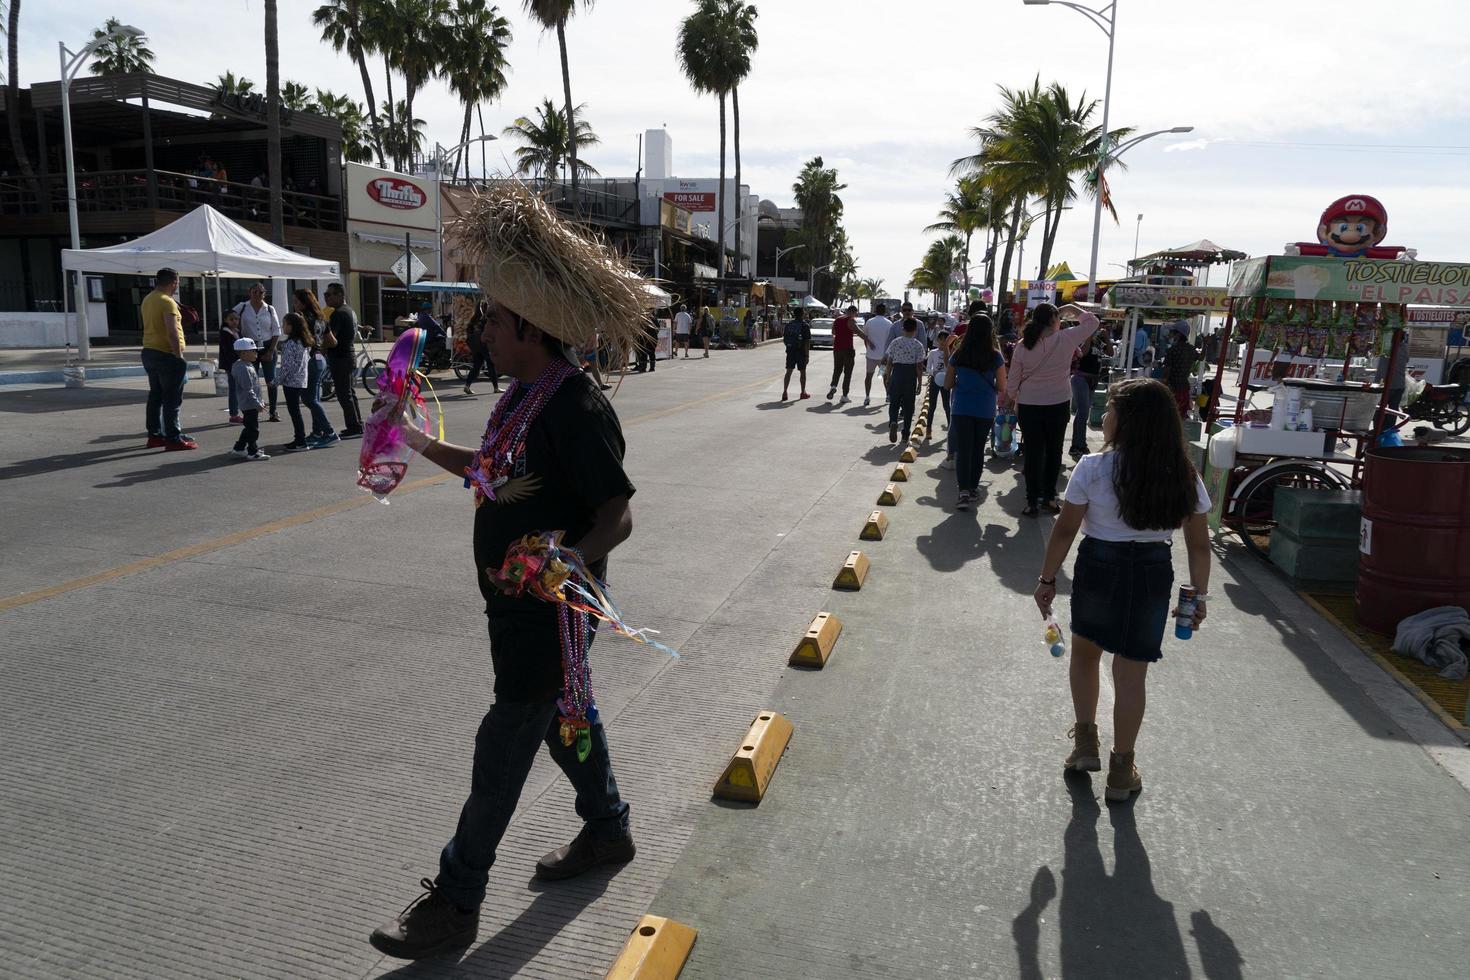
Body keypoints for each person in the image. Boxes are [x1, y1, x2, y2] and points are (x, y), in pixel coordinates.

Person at [369, 182, 641, 961]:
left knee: (504, 748)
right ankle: (608, 827)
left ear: (527, 324)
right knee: (568, 725)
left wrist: (560, 561)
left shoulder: (574, 408)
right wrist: (415, 438)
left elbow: (617, 514)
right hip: (512, 610)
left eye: (489, 317)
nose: (480, 328)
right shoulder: (522, 396)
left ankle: (456, 899)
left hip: (551, 610)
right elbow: (487, 472)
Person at [1033, 378, 1212, 803]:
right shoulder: (1182, 472)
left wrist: (1046, 578)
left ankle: (1084, 744)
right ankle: (1120, 768)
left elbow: (1065, 530)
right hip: (1153, 571)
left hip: (1099, 564)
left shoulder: (1093, 468)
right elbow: (1199, 544)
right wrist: (1198, 597)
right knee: (1132, 674)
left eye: (1111, 409)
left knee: (1085, 655)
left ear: (1126, 420)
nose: (1105, 416)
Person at [1006, 303, 1101, 517]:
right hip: (1058, 403)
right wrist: (1071, 308)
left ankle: (1031, 501)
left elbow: (1013, 378)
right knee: (1054, 451)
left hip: (1029, 404)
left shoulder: (1023, 345)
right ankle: (1049, 497)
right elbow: (1093, 322)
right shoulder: (1067, 338)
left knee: (1033, 453)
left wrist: (1009, 400)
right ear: (1054, 320)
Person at [945, 313, 1007, 509]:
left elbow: (947, 384)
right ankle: (973, 489)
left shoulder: (959, 354)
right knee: (977, 450)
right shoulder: (995, 356)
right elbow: (1002, 387)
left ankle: (962, 492)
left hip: (962, 407)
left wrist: (963, 383)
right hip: (984, 409)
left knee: (963, 450)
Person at [139, 267, 196, 450]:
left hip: (149, 351)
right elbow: (172, 332)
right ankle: (173, 437)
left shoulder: (148, 299)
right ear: (174, 282)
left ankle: (154, 435)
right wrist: (178, 356)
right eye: (177, 282)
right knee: (172, 399)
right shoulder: (167, 302)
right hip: (166, 354)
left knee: (155, 396)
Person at [293, 288, 339, 448]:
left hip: (310, 359)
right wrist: (320, 344)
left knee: (308, 398)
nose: (294, 305)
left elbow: (300, 342)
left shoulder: (302, 319)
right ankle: (317, 431)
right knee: (314, 397)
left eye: (296, 301)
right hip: (320, 359)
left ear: (304, 303)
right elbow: (333, 342)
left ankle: (329, 432)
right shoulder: (321, 318)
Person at [235, 283, 282, 422]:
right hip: (250, 347)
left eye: (260, 292)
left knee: (271, 381)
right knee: (250, 381)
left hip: (268, 346)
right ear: (249, 293)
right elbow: (229, 318)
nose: (257, 295)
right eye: (255, 292)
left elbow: (276, 330)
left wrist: (271, 350)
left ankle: (273, 411)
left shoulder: (269, 309)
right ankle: (251, 411)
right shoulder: (242, 307)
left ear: (264, 294)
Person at [322, 283, 364, 437]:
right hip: (347, 356)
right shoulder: (349, 310)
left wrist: (321, 346)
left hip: (340, 357)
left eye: (329, 294)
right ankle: (357, 424)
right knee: (349, 393)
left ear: (340, 295)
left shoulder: (338, 313)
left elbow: (332, 339)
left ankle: (354, 427)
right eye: (325, 294)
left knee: (344, 394)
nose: (326, 297)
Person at [882, 318, 926, 444]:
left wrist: (888, 377)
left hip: (897, 373)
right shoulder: (918, 345)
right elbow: (919, 366)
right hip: (910, 375)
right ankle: (905, 434)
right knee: (908, 406)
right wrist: (919, 382)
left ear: (903, 328)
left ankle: (893, 422)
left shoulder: (895, 342)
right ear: (915, 330)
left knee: (894, 402)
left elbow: (889, 362)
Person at [277, 312, 315, 452]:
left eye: (284, 323)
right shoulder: (304, 341)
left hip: (291, 382)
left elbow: (286, 367)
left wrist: (276, 381)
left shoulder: (289, 344)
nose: (282, 326)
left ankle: (300, 440)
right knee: (296, 411)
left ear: (291, 326)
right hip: (301, 380)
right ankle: (299, 439)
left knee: (294, 412)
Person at [1070, 327, 1110, 458]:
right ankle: (1079, 445)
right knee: (1083, 413)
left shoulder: (1099, 341)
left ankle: (1077, 444)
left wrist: (1107, 337)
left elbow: (1111, 353)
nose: (1097, 330)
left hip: (1093, 379)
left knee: (1083, 413)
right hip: (1081, 378)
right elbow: (1084, 352)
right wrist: (1088, 335)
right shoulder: (1082, 339)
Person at [228, 338, 269, 461]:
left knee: (249, 427)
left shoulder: (246, 365)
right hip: (249, 403)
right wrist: (257, 403)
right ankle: (253, 451)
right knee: (253, 429)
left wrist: (259, 401)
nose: (256, 353)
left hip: (250, 402)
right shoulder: (243, 368)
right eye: (253, 351)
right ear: (244, 353)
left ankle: (239, 448)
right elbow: (248, 389)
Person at [463, 301, 501, 394]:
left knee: (476, 366)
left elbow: (468, 332)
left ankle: (467, 386)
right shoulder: (486, 319)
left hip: (475, 346)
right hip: (484, 345)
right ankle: (496, 387)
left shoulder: (474, 319)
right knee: (490, 365)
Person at [861, 303, 895, 407]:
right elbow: (891, 341)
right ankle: (888, 395)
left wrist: (868, 349)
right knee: (885, 376)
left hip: (871, 356)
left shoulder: (869, 322)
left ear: (875, 310)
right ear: (885, 311)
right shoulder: (889, 323)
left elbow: (865, 338)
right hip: (884, 357)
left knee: (869, 376)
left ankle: (867, 397)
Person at [924, 329, 953, 440]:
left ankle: (950, 429)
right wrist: (933, 372)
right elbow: (927, 368)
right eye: (940, 339)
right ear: (937, 340)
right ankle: (928, 428)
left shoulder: (951, 353)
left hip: (945, 381)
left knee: (947, 406)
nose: (942, 342)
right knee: (932, 405)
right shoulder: (932, 352)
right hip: (934, 381)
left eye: (945, 340)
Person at [1163, 327, 1196, 419]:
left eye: (1173, 333)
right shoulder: (1191, 349)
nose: (1171, 335)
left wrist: (1163, 384)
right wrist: (1205, 344)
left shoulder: (1172, 350)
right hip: (1184, 387)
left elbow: (1167, 370)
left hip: (1173, 387)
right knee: (1181, 416)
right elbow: (1201, 357)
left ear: (1178, 335)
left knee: (1169, 416)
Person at [218, 308, 244, 424]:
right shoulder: (225, 333)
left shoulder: (237, 331)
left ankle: (239, 413)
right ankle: (234, 415)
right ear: (225, 320)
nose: (235, 321)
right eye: (231, 319)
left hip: (239, 363)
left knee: (239, 389)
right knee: (234, 390)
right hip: (232, 365)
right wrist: (235, 362)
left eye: (236, 319)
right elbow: (228, 351)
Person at [781, 308, 812, 401]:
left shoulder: (789, 325)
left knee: (788, 372)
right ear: (802, 314)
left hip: (790, 351)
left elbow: (785, 339)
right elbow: (807, 342)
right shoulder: (805, 325)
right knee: (802, 372)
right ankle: (803, 392)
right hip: (801, 352)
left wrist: (790, 347)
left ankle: (785, 392)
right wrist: (807, 355)